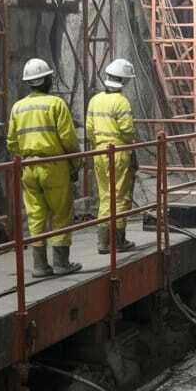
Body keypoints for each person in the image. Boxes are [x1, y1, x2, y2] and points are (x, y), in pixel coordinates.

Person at [7, 58, 81, 278]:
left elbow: (11, 142)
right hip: (54, 166)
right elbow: (68, 139)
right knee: (60, 213)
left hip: (29, 167)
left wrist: (23, 157)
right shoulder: (56, 104)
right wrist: (75, 163)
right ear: (48, 79)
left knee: (36, 214)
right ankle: (61, 264)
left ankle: (39, 266)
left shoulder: (17, 107)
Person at [85, 58, 137, 255]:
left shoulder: (94, 100)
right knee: (120, 196)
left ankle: (102, 241)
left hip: (99, 152)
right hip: (119, 153)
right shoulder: (121, 102)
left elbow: (90, 130)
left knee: (105, 195)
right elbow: (128, 131)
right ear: (123, 81)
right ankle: (118, 240)